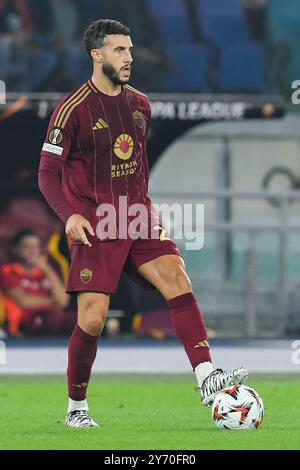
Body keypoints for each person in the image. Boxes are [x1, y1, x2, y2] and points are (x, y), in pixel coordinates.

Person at [38, 19, 248, 429]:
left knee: (176, 277)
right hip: (96, 223)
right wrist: (71, 215)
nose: (129, 57)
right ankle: (76, 408)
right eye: (119, 50)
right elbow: (47, 172)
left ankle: (207, 377)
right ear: (96, 54)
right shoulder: (72, 108)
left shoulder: (140, 104)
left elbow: (134, 166)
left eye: (130, 50)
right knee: (94, 318)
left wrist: (144, 212)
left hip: (136, 217)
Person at [0, 228, 69, 336]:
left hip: (53, 321)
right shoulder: (8, 271)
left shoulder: (47, 271)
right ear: (16, 249)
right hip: (24, 325)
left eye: (36, 247)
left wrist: (47, 270)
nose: (33, 251)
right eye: (27, 247)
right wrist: (54, 302)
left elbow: (64, 301)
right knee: (50, 320)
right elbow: (25, 301)